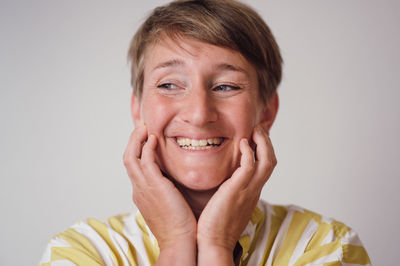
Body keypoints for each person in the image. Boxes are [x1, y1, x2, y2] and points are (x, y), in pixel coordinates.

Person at [39, 0, 371, 265]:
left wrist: (215, 247)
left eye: (226, 86)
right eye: (169, 84)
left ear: (266, 111)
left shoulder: (327, 247)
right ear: (138, 109)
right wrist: (174, 243)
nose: (199, 114)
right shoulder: (80, 253)